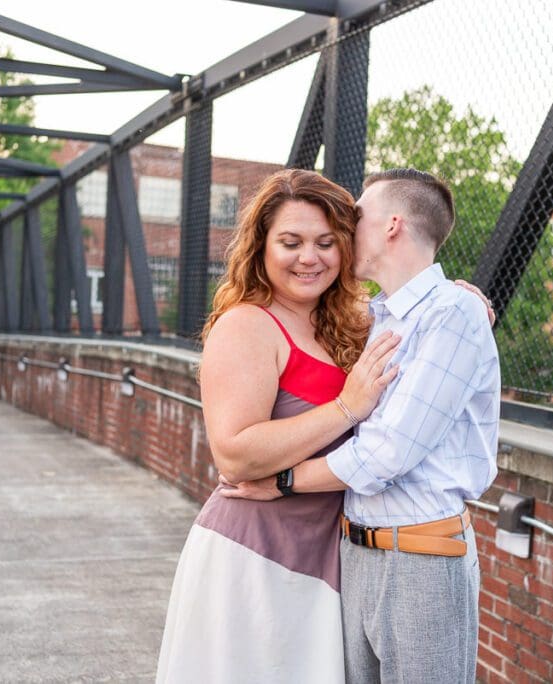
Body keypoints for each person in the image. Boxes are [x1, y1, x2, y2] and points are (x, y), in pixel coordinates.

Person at [223, 168, 501, 684]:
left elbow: (386, 452)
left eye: (357, 218)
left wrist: (283, 480)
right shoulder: (374, 318)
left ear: (392, 225)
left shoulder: (452, 312)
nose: (345, 231)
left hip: (420, 553)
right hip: (352, 551)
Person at [154, 169, 401, 683]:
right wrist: (345, 408)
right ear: (261, 247)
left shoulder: (354, 323)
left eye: (326, 242)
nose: (309, 257)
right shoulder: (247, 324)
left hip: (326, 560)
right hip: (253, 559)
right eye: (291, 242)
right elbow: (235, 454)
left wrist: (458, 295)